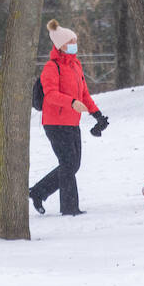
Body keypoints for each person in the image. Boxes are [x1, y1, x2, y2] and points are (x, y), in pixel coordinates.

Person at [29, 18, 109, 216]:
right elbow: (51, 95)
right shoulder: (51, 67)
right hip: (54, 123)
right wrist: (72, 103)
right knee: (68, 164)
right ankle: (69, 208)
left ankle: (38, 191)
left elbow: (84, 95)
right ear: (60, 46)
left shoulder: (76, 66)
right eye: (70, 42)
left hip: (73, 122)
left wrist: (97, 115)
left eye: (75, 41)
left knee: (73, 165)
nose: (74, 45)